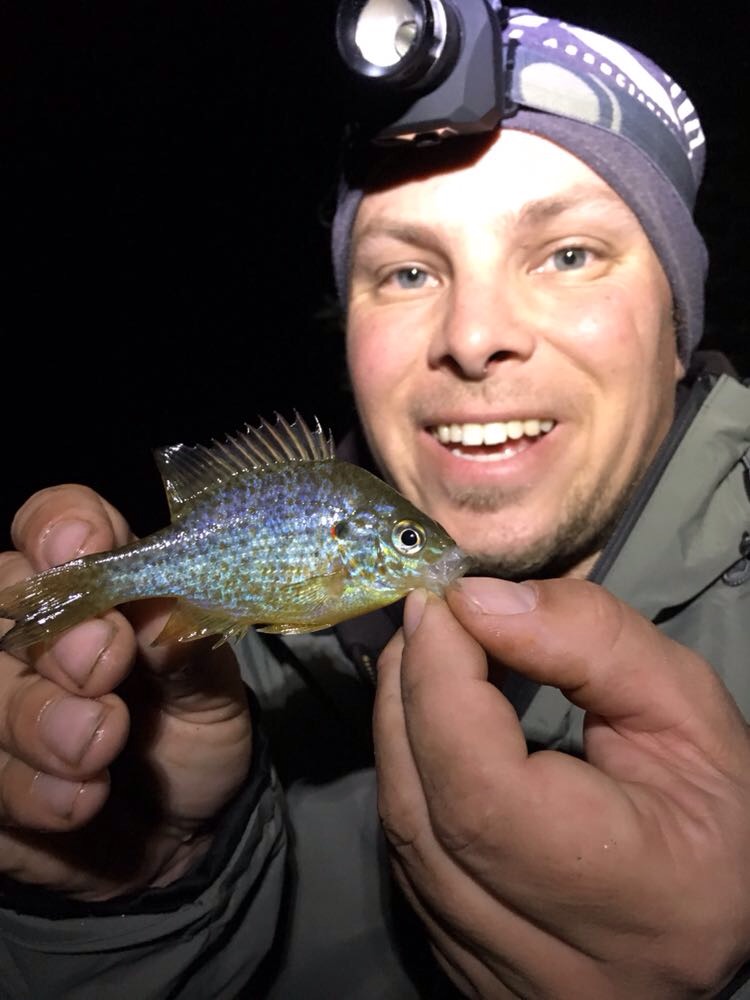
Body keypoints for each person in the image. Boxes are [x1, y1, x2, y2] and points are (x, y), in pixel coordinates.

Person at [1, 6, 749, 998]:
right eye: (406, 269)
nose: (473, 336)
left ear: (679, 316)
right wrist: (144, 883)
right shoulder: (192, 690)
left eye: (569, 253)